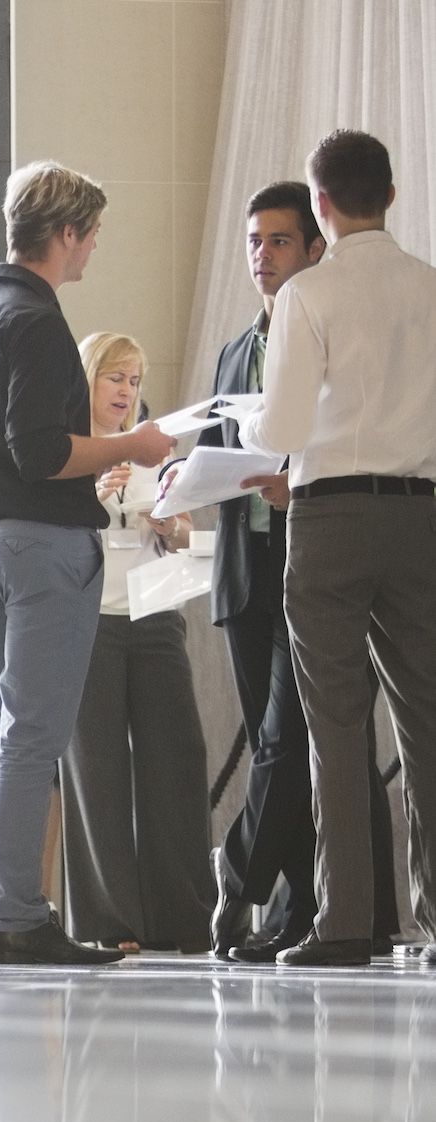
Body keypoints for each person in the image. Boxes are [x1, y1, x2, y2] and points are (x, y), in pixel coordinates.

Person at [0, 162, 174, 967]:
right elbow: (39, 453)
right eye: (93, 234)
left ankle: (2, 912)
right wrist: (133, 446)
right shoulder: (34, 317)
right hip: (40, 545)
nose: (95, 249)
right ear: (66, 232)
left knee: (8, 738)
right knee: (33, 738)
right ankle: (16, 918)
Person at [242, 130, 436, 969]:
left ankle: (348, 922)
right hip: (421, 514)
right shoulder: (432, 288)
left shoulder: (308, 296)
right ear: (391, 195)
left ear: (320, 205)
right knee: (427, 721)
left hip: (328, 519)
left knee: (334, 722)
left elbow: (281, 429)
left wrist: (244, 424)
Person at [193, 181, 397, 963]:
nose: (262, 257)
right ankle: (332, 911)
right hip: (245, 570)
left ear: (316, 248)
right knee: (302, 750)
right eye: (253, 242)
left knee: (292, 744)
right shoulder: (237, 346)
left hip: (317, 557)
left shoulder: (334, 330)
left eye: (279, 241)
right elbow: (220, 441)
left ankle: (237, 883)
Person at [56, 333, 210, 954]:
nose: (125, 391)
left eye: (135, 381)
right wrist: (90, 498)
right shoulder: (66, 453)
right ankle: (108, 925)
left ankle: (186, 919)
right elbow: (47, 536)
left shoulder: (155, 451)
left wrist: (169, 523)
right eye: (114, 378)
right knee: (96, 770)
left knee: (178, 761)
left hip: (155, 616)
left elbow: (186, 539)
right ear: (88, 381)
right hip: (89, 620)